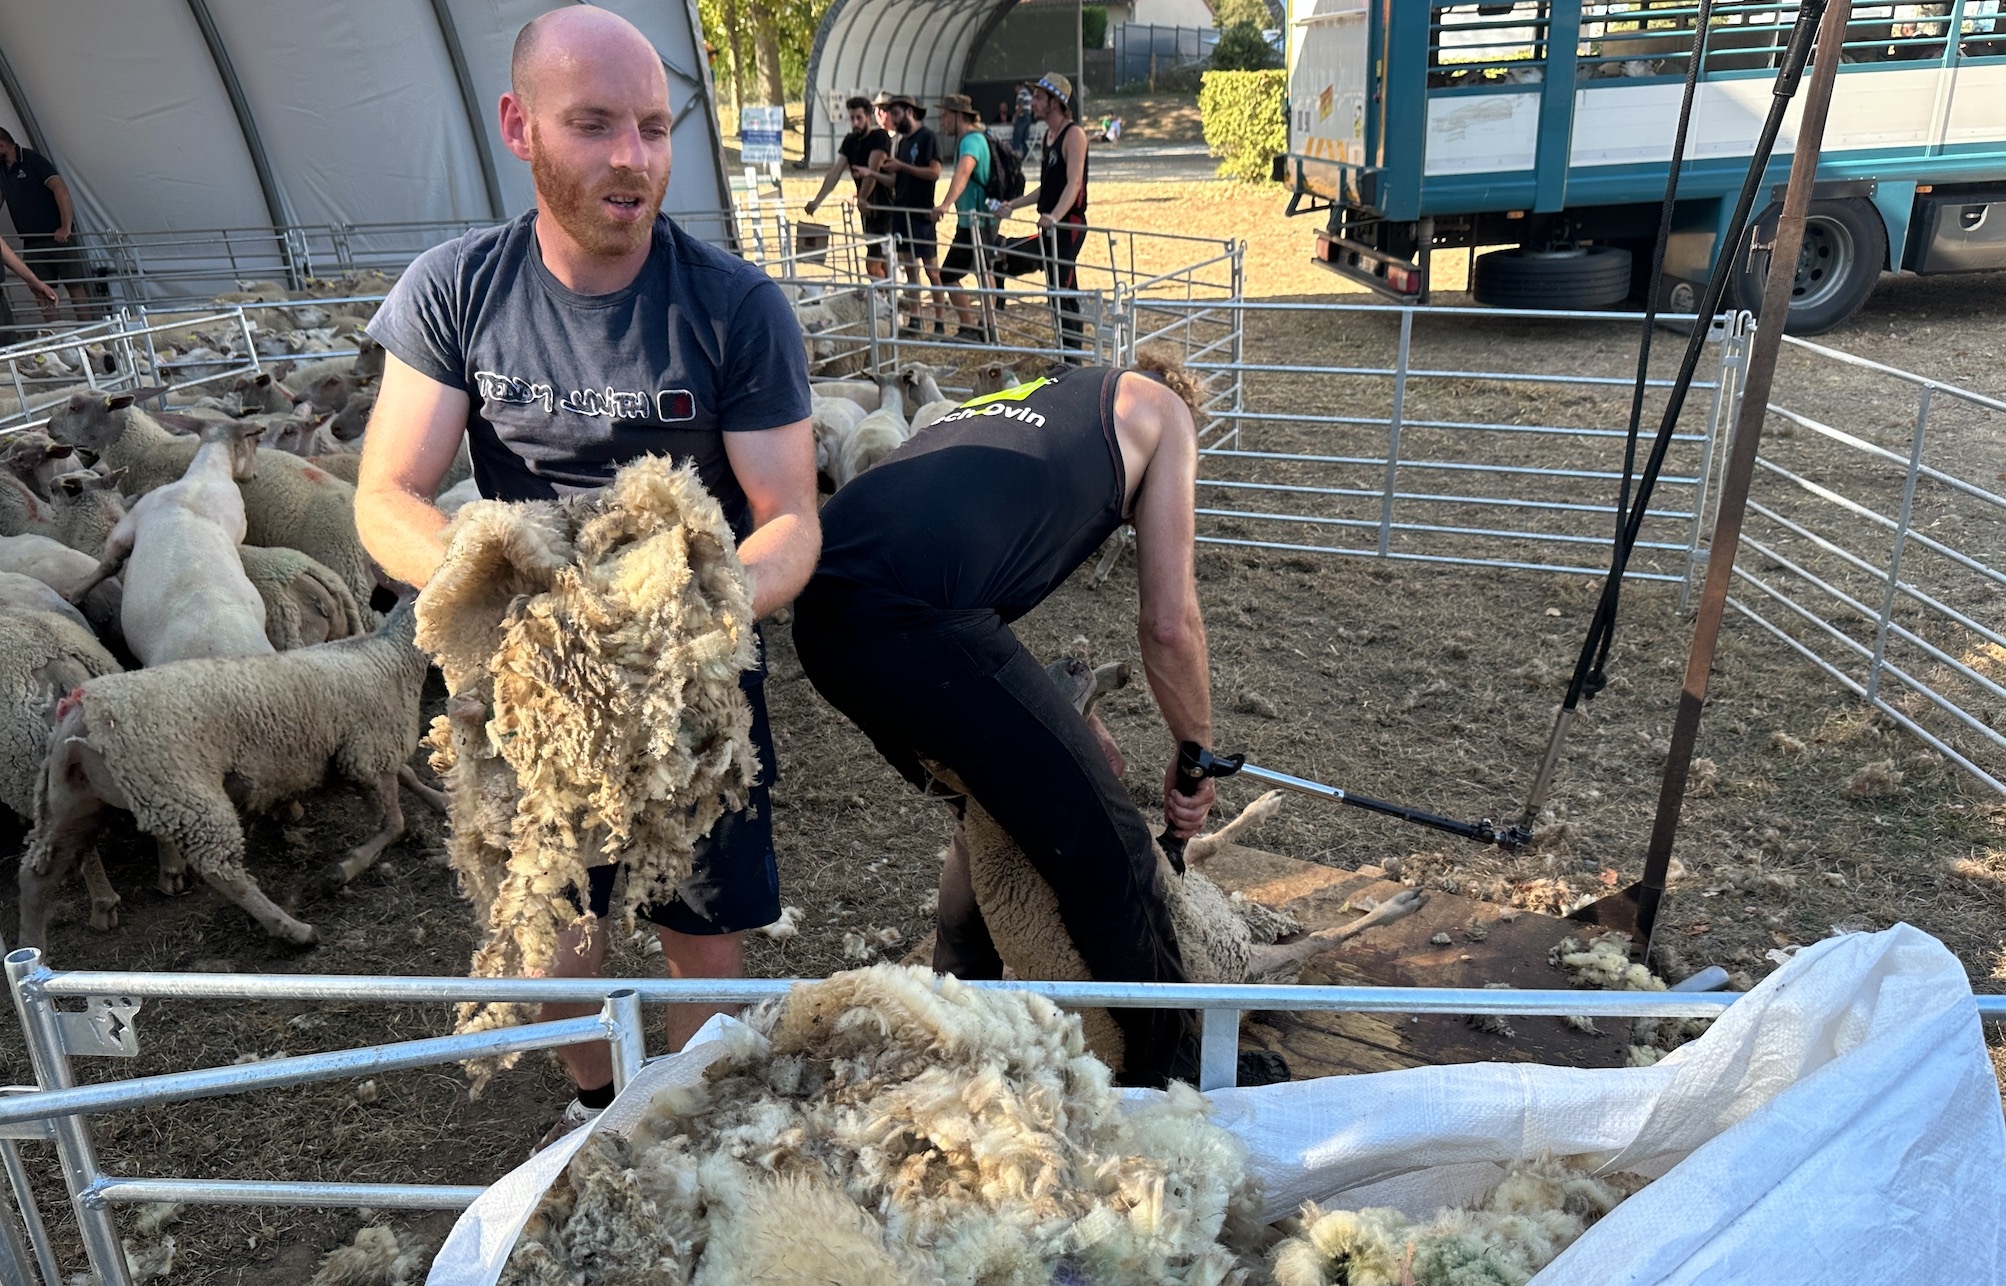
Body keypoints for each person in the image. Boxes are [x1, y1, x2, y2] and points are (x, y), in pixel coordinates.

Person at [353, 5, 818, 1146]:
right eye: (595, 124)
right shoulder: (456, 289)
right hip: (530, 660)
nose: (633, 159)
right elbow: (386, 493)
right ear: (519, 126)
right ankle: (599, 1102)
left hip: (686, 664)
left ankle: (693, 1118)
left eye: (654, 128)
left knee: (699, 910)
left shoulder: (734, 308)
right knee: (555, 903)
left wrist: (692, 608)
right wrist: (511, 592)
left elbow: (790, 517)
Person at [791, 353, 1216, 1089]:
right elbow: (1171, 625)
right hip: (913, 616)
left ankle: (964, 1031)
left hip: (824, 612)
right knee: (1111, 850)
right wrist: (1197, 748)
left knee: (990, 811)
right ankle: (1170, 1081)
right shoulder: (1161, 413)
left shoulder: (1046, 401)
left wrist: (1060, 720)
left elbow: (965, 552)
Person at [1000, 73, 1089, 353]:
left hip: (1068, 224)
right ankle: (1066, 351)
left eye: (1039, 97)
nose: (1033, 103)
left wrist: (1054, 217)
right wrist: (1014, 204)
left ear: (1056, 101)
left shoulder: (1073, 134)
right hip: (1050, 225)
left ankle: (1073, 356)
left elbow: (1074, 183)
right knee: (1057, 290)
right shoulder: (1048, 136)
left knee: (1063, 290)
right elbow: (1047, 187)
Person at [872, 94, 946, 335]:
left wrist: (902, 166)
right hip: (901, 213)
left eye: (895, 113)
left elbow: (934, 172)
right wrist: (872, 174)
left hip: (920, 213)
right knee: (910, 269)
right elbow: (896, 179)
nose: (891, 118)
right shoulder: (901, 142)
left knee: (932, 270)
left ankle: (939, 322)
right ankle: (915, 319)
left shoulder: (927, 138)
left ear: (909, 112)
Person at [0, 129, 89, 321]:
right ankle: (57, 338)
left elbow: (60, 189)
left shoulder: (32, 160)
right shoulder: (1, 171)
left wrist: (66, 227)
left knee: (75, 285)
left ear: (2, 145)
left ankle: (91, 333)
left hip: (57, 237)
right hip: (31, 241)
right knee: (41, 291)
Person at [803, 96, 892, 279]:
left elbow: (872, 169)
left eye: (859, 117)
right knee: (881, 258)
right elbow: (835, 172)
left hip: (884, 208)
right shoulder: (850, 141)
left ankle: (885, 297)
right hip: (866, 210)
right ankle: (888, 300)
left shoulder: (879, 137)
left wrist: (862, 197)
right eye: (852, 118)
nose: (855, 122)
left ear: (868, 117)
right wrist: (817, 201)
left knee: (874, 263)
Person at [930, 94, 994, 341]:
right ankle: (979, 327)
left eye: (946, 115)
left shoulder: (971, 142)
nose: (942, 121)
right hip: (971, 221)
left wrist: (945, 203)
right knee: (979, 272)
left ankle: (982, 327)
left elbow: (964, 171)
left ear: (959, 116)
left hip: (977, 222)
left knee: (972, 273)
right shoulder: (972, 140)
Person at [1012, 83, 1036, 158]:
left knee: (1017, 136)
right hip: (1028, 117)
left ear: (1018, 86)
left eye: (1015, 88)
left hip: (1022, 117)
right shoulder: (1028, 93)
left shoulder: (1021, 93)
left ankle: (1015, 156)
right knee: (1025, 138)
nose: (1014, 90)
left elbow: (1020, 105)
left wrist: (1015, 116)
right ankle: (1025, 156)